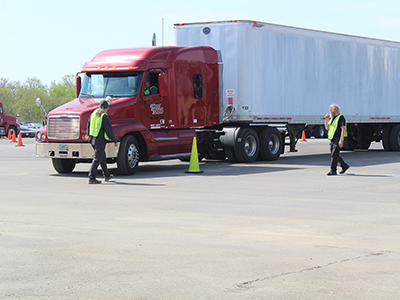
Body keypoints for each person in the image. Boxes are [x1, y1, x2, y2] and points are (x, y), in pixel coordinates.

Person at [87, 100, 118, 184]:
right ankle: (91, 177)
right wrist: (114, 140)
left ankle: (107, 175)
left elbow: (88, 126)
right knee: (97, 159)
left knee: (102, 157)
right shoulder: (104, 116)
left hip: (92, 139)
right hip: (100, 140)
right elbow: (109, 130)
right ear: (107, 108)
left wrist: (89, 136)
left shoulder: (93, 114)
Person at [324, 104, 350, 176]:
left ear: (334, 110)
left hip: (338, 139)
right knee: (335, 154)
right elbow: (327, 127)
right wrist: (326, 119)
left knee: (334, 155)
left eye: (330, 109)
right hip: (332, 139)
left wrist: (341, 140)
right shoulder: (332, 118)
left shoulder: (341, 117)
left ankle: (333, 170)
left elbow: (343, 128)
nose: (329, 111)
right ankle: (344, 165)